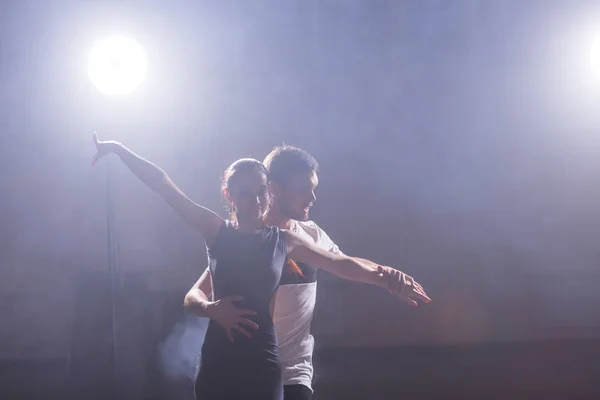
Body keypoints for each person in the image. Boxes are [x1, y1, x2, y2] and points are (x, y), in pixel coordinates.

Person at [91, 134, 411, 400]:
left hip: (265, 363)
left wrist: (388, 279)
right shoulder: (216, 232)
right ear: (230, 196)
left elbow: (341, 264)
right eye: (247, 194)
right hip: (218, 361)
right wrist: (119, 150)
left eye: (261, 193)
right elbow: (165, 188)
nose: (256, 201)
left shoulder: (287, 240)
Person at [185, 145, 431, 400]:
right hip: (245, 367)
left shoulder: (311, 234)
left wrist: (388, 276)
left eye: (313, 189)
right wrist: (212, 309)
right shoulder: (248, 240)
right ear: (275, 190)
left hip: (294, 372)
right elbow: (196, 294)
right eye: (304, 189)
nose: (312, 198)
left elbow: (343, 262)